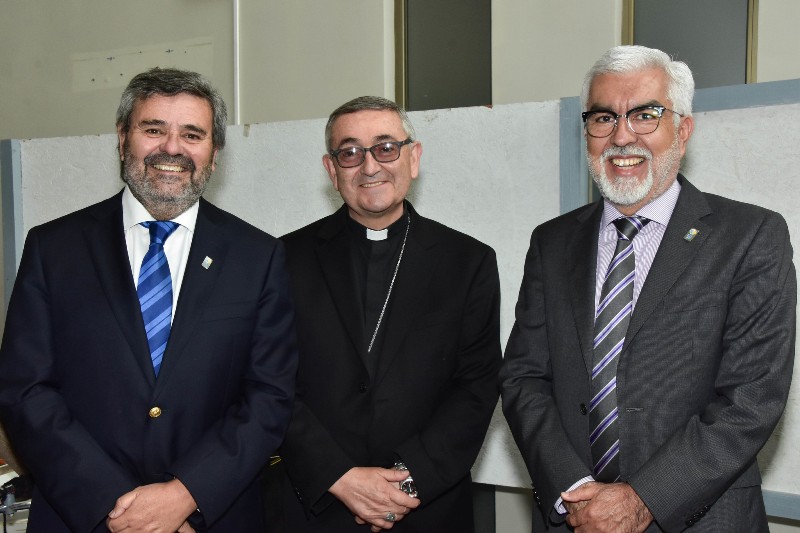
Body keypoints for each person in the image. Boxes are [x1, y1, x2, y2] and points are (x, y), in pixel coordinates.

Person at [500, 45, 796, 532]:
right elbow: (523, 378)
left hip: (700, 519)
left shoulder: (750, 236)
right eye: (604, 118)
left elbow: (752, 396)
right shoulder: (551, 242)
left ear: (683, 129)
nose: (621, 136)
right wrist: (574, 488)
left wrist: (643, 499)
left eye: (645, 115)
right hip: (573, 515)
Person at [0, 67, 298, 532]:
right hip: (82, 516)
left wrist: (185, 495)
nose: (172, 148)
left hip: (209, 517)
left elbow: (269, 396)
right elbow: (25, 390)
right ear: (123, 139)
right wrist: (114, 505)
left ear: (215, 153)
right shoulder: (53, 249)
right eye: (154, 129)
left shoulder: (258, 257)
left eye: (192, 134)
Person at [271, 96, 502, 532]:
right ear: (331, 170)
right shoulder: (283, 258)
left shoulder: (466, 261)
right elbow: (271, 381)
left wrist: (405, 485)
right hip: (315, 504)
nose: (370, 165)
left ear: (413, 158)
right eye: (350, 152)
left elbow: (476, 386)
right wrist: (338, 476)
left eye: (385, 148)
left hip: (427, 507)